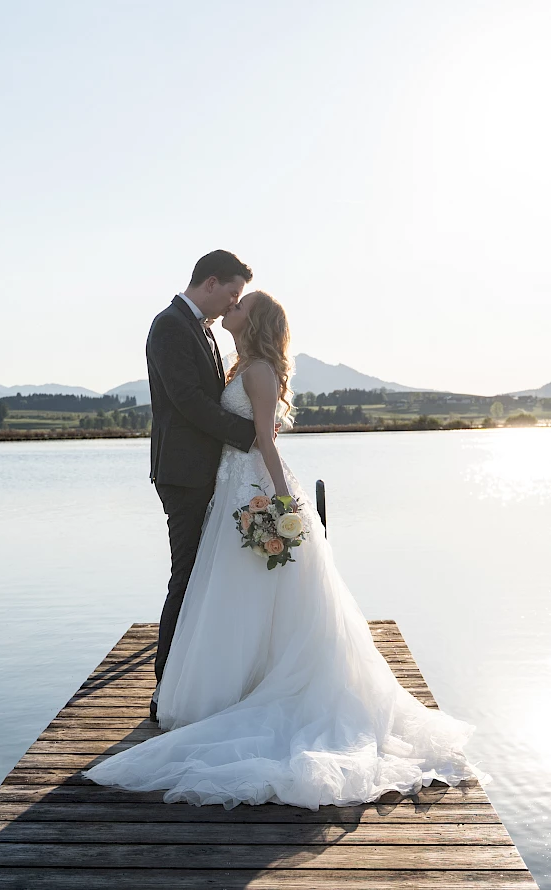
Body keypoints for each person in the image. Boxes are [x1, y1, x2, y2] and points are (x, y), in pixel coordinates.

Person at [82, 291, 491, 809]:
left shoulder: (257, 372)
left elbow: (266, 441)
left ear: (253, 322)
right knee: (232, 592)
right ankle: (232, 684)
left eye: (240, 306)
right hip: (230, 488)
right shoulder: (240, 363)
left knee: (250, 588)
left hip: (252, 487)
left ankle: (249, 685)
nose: (230, 309)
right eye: (230, 300)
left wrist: (281, 503)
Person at [144, 250, 257, 720]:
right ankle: (166, 686)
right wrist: (247, 436)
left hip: (209, 472)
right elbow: (187, 400)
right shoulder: (170, 325)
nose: (233, 303)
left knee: (202, 576)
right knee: (186, 576)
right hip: (184, 474)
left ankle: (194, 677)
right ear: (210, 282)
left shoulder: (202, 329)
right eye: (232, 293)